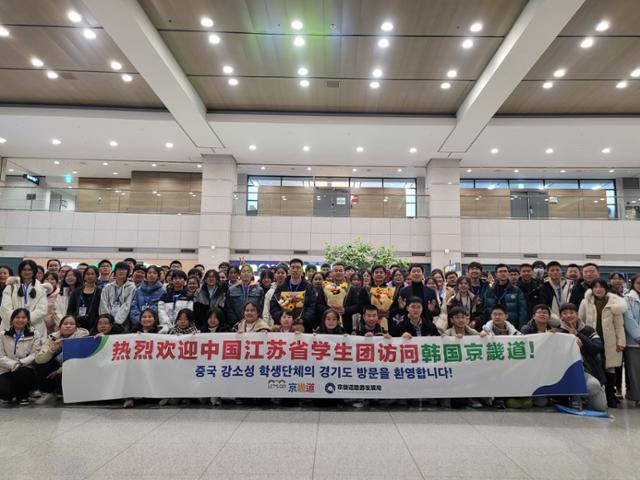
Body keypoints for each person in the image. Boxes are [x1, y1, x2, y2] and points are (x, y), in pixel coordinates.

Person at [578, 279, 627, 408]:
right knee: (595, 366)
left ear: (606, 288)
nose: (598, 289)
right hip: (592, 340)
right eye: (595, 287)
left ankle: (610, 396)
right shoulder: (585, 302)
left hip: (610, 341)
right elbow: (580, 321)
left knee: (610, 368)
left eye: (601, 287)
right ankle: (599, 396)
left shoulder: (614, 303)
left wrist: (621, 342)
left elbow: (619, 325)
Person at [556, 303, 607, 412]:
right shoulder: (557, 332)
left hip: (589, 370)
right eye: (565, 313)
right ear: (560, 316)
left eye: (571, 313)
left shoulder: (589, 330)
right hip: (568, 372)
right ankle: (574, 397)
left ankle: (584, 397)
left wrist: (578, 335)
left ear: (577, 314)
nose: (569, 315)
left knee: (601, 407)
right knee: (591, 385)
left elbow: (597, 348)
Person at [34, 314, 89, 404]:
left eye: (72, 324)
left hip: (75, 367)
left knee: (61, 375)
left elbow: (78, 360)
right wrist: (51, 350)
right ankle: (47, 394)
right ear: (60, 327)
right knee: (40, 365)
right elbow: (39, 359)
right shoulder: (52, 337)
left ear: (76, 327)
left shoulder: (83, 337)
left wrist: (58, 371)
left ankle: (62, 394)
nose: (68, 326)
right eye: (65, 324)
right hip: (58, 364)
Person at [0, 308, 42, 406]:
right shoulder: (2, 335)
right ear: (12, 320)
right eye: (17, 317)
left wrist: (21, 363)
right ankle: (12, 393)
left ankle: (23, 396)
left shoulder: (35, 334)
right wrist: (14, 364)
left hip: (25, 368)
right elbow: (0, 356)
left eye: (23, 317)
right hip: (6, 369)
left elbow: (35, 353)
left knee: (22, 373)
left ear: (28, 320)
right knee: (5, 393)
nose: (20, 320)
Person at [1, 260, 50, 337]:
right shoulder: (10, 287)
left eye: (30, 270)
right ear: (20, 271)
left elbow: (42, 310)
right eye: (24, 269)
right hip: (10, 328)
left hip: (34, 329)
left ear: (34, 271)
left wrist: (25, 321)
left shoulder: (41, 289)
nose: (27, 272)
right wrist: (16, 321)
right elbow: (5, 308)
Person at [483, 264, 527, 330]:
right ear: (496, 274)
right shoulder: (490, 291)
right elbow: (486, 310)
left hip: (512, 326)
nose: (503, 273)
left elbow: (522, 311)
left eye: (505, 271)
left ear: (508, 273)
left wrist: (521, 328)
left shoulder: (516, 290)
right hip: (493, 327)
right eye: (500, 271)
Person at [99, 261, 136, 331]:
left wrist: (117, 321)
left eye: (124, 270)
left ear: (128, 272)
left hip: (124, 322)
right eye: (119, 269)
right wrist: (107, 320)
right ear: (115, 272)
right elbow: (103, 304)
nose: (121, 271)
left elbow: (127, 305)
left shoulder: (132, 287)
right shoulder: (107, 287)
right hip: (107, 323)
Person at [270, 259, 307, 324]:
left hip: (302, 324)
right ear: (289, 270)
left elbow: (311, 306)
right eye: (293, 267)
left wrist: (303, 319)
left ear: (302, 270)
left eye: (298, 267)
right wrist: (280, 317)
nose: (295, 270)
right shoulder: (281, 287)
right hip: (283, 323)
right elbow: (273, 306)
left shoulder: (309, 287)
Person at [67, 266, 102, 333]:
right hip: (77, 322)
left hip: (94, 324)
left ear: (97, 276)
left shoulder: (100, 291)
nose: (90, 276)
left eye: (92, 274)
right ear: (84, 276)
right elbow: (70, 310)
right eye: (87, 274)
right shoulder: (76, 291)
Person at [624, 274, 640, 406]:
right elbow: (628, 318)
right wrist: (638, 336)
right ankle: (637, 396)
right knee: (635, 371)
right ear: (633, 284)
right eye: (638, 283)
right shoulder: (627, 298)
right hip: (634, 342)